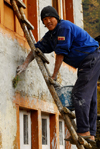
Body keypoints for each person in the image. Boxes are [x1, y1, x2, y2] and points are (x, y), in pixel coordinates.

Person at [17, 6, 100, 141]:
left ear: (56, 18)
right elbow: (36, 48)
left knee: (80, 94)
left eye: (50, 18)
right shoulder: (51, 36)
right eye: (45, 19)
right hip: (88, 62)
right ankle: (90, 133)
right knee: (89, 97)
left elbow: (60, 53)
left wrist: (54, 75)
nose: (48, 21)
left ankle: (84, 131)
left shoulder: (64, 27)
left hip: (91, 59)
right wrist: (25, 64)